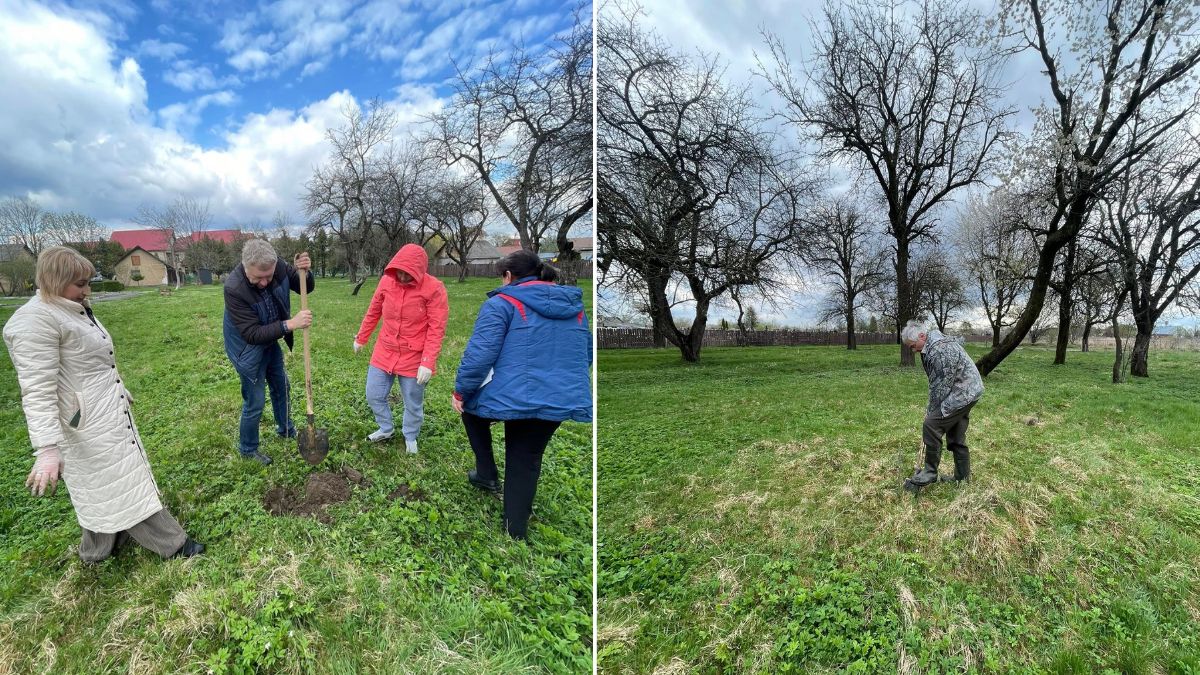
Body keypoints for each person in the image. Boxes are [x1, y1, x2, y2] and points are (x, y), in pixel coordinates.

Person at [3, 246, 204, 563]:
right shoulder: (34, 322)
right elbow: (37, 390)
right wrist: (46, 449)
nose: (86, 290)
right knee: (122, 480)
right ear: (54, 281)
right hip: (84, 423)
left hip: (105, 411)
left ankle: (97, 550)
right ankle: (173, 544)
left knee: (101, 484)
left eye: (87, 282)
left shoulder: (69, 308)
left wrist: (118, 390)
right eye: (79, 284)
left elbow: (92, 366)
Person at [453, 250, 592, 539]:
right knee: (526, 457)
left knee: (468, 408)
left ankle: (493, 486)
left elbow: (479, 357)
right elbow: (586, 354)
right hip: (561, 395)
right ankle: (506, 514)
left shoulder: (501, 304)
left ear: (508, 276)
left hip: (516, 394)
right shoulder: (575, 307)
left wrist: (461, 391)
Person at [223, 239, 313, 465]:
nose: (264, 282)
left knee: (282, 386)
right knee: (255, 401)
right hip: (247, 349)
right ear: (245, 267)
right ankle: (248, 449)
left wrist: (305, 272)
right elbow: (252, 333)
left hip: (271, 340)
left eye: (269, 277)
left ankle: (285, 429)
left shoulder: (278, 266)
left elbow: (305, 286)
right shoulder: (234, 288)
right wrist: (290, 325)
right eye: (257, 278)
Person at [353, 243, 449, 454]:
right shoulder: (387, 282)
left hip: (414, 356)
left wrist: (427, 362)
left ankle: (411, 435)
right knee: (373, 394)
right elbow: (374, 311)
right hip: (385, 350)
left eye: (408, 274)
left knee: (413, 402)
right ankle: (386, 428)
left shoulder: (434, 288)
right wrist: (362, 338)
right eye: (400, 272)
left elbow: (436, 328)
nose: (403, 278)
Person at [901, 320, 984, 490]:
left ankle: (930, 472)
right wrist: (931, 407)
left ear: (922, 336)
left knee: (931, 425)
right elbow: (936, 383)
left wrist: (931, 411)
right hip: (968, 391)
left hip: (963, 393)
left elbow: (941, 387)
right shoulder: (930, 346)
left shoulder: (939, 349)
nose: (913, 350)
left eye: (912, 346)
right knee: (956, 434)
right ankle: (962, 478)